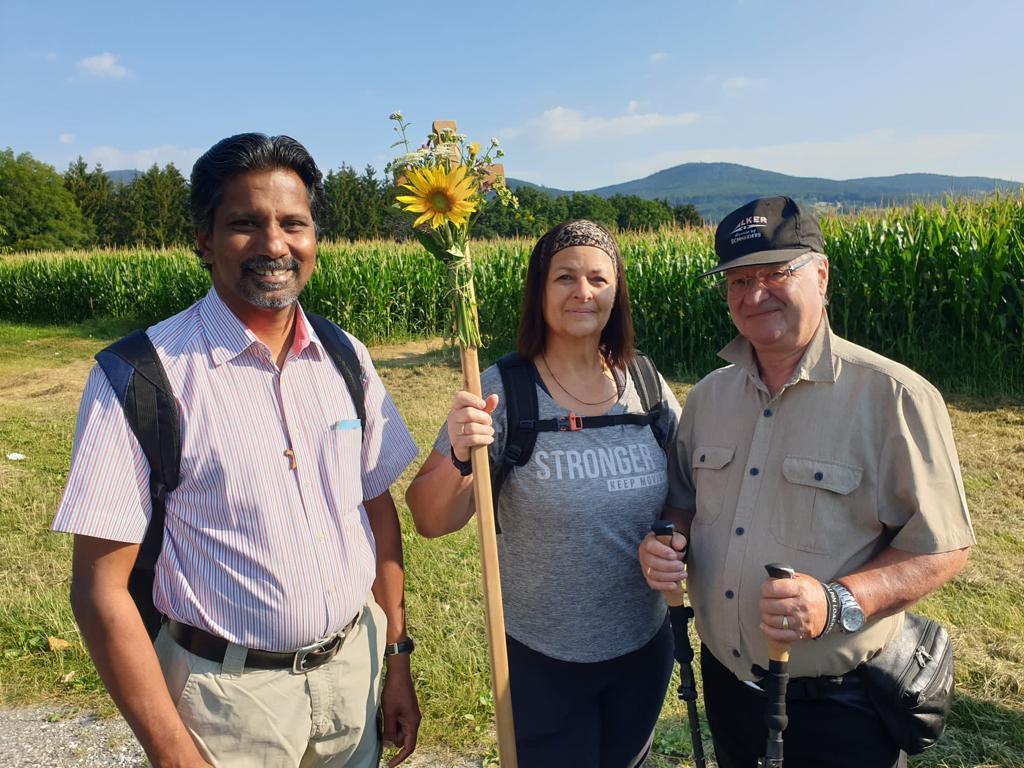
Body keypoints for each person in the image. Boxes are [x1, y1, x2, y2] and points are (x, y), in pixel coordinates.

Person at [53, 133, 420, 768]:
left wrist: (396, 659)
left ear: (315, 237)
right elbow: (98, 588)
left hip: (351, 676)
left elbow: (375, 510)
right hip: (225, 704)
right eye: (246, 223)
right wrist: (173, 753)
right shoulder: (143, 376)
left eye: (293, 223)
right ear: (205, 239)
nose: (274, 245)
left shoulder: (345, 356)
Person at [639, 196, 976, 768]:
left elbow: (942, 547)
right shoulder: (709, 397)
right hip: (727, 686)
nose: (754, 294)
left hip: (840, 704)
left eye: (775, 273)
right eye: (739, 280)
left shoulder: (894, 397)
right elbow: (683, 505)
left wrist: (836, 602)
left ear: (820, 275)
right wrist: (666, 544)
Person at [405, 219, 681, 767]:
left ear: (617, 293)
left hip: (643, 647)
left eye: (598, 279)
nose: (583, 291)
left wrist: (674, 539)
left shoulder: (645, 383)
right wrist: (460, 455)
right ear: (540, 290)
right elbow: (429, 519)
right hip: (542, 660)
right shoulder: (504, 389)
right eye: (565, 277)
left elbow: (688, 491)